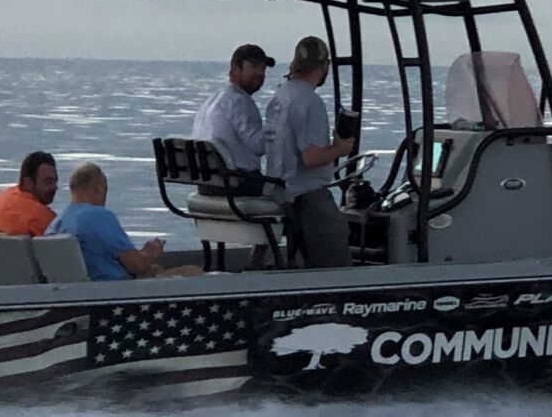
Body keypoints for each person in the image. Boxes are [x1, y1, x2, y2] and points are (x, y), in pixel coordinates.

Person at [261, 34, 358, 267]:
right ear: (324, 66)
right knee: (337, 247)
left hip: (278, 190)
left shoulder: (279, 95)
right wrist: (340, 148)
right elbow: (311, 158)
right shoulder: (311, 103)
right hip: (306, 196)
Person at [48, 163, 199, 280]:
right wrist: (149, 252)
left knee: (156, 269)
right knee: (193, 271)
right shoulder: (99, 216)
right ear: (98, 188)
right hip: (114, 293)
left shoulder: (57, 222)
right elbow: (137, 265)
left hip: (80, 292)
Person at [190, 43, 273, 182]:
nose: (260, 74)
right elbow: (258, 146)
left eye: (263, 68)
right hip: (236, 184)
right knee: (292, 193)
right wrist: (280, 126)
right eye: (254, 67)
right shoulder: (240, 102)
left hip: (208, 185)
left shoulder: (210, 103)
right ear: (234, 69)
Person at [0, 150, 58, 235]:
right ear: (28, 183)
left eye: (55, 181)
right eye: (48, 181)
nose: (54, 187)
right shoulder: (41, 217)